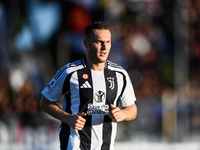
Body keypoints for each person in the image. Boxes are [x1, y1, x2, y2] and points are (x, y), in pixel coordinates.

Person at [39, 22, 137, 150]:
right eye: (99, 42)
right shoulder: (70, 72)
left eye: (108, 42)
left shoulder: (120, 74)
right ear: (86, 43)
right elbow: (45, 102)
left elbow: (132, 109)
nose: (104, 47)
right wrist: (67, 118)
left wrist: (123, 114)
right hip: (74, 145)